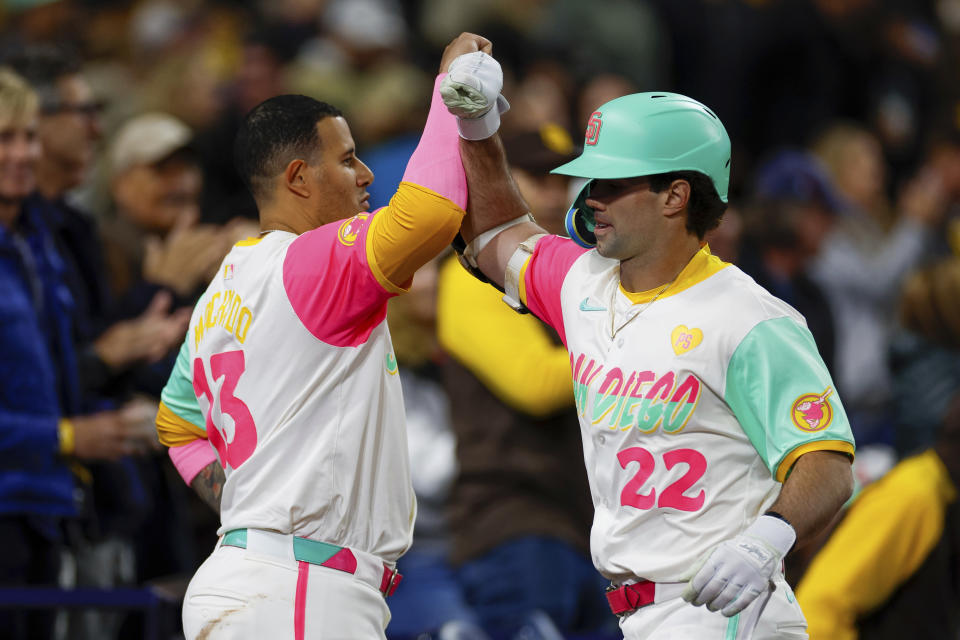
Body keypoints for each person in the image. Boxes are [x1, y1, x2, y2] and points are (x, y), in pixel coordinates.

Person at [440, 53, 855, 638]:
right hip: (634, 614)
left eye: (613, 182)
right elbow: (494, 233)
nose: (590, 197)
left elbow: (827, 461)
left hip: (722, 610)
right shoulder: (583, 283)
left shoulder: (750, 318)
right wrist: (478, 128)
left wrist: (769, 539)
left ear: (675, 196)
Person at [154, 33, 486, 639]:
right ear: (300, 178)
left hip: (254, 576)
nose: (364, 175)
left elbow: (177, 426)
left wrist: (244, 508)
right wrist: (448, 91)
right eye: (348, 158)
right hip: (301, 589)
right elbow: (434, 213)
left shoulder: (222, 288)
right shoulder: (311, 264)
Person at [436, 127, 612, 638]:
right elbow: (534, 383)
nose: (556, 195)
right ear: (495, 179)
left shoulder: (572, 276)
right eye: (537, 178)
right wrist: (630, 354)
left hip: (583, 526)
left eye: (563, 181)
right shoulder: (468, 278)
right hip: (513, 526)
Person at [0, 67, 156, 640]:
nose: (21, 153)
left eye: (27, 137)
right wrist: (68, 438)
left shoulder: (36, 242)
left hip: (48, 508)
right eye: (3, 139)